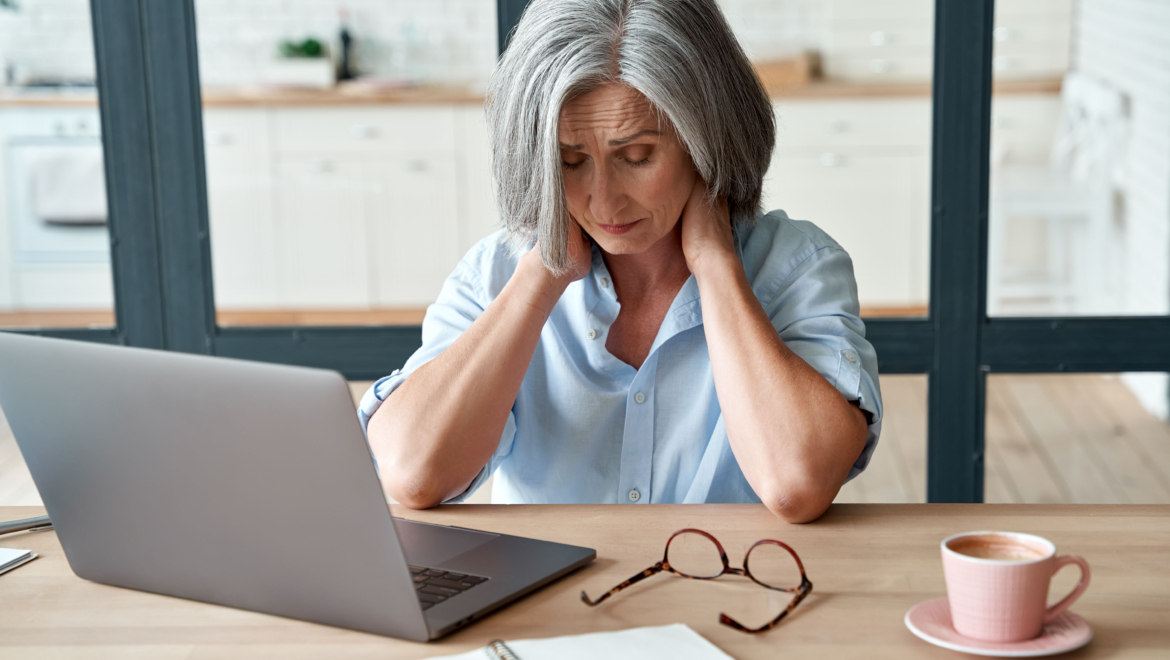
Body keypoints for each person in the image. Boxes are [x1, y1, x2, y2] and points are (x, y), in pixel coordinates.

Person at [360, 0, 882, 523]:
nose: (604, 203)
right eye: (570, 162)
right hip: (551, 602)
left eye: (637, 158)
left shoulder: (797, 268)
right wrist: (542, 276)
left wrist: (716, 266)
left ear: (708, 140)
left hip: (730, 596)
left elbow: (797, 485)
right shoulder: (494, 274)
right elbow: (413, 473)